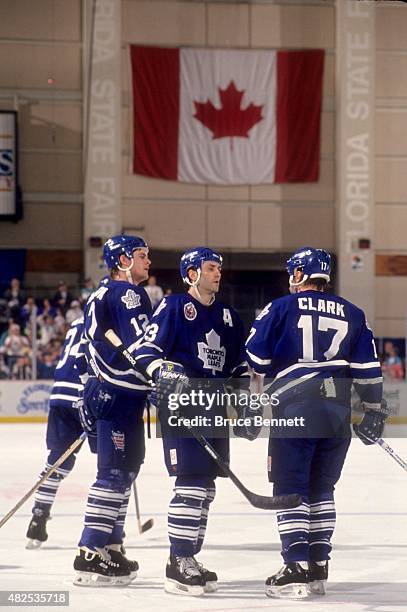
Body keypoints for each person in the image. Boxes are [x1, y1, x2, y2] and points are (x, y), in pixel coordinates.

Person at [245, 247, 388, 599]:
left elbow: (255, 358)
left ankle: (295, 566)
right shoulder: (353, 313)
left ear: (297, 275)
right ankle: (317, 565)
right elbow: (369, 371)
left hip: (296, 404)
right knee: (322, 488)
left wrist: (252, 403)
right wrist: (374, 410)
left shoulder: (280, 307)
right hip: (337, 408)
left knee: (291, 486)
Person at [134, 247, 248, 597]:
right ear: (191, 273)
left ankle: (190, 558)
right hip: (183, 404)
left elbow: (239, 364)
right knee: (191, 483)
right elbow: (146, 352)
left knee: (208, 487)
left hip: (215, 405)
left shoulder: (229, 315)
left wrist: (242, 398)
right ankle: (177, 561)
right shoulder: (172, 307)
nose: (218, 273)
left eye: (219, 268)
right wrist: (163, 372)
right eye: (211, 268)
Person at [73, 235, 152, 587]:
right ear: (122, 261)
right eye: (141, 256)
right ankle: (89, 551)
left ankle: (111, 544)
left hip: (108, 392)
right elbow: (142, 344)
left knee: (124, 472)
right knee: (115, 475)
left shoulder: (101, 294)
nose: (147, 261)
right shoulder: (128, 294)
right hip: (118, 393)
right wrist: (159, 370)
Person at [25, 317, 91, 548]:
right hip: (83, 395)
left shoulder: (76, 322)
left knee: (56, 461)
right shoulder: (108, 315)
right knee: (114, 465)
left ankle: (38, 519)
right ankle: (111, 534)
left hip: (59, 394)